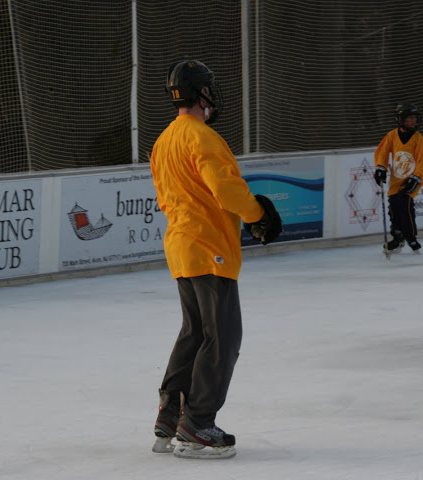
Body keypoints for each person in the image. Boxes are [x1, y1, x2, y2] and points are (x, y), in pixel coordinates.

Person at [149, 60, 282, 459]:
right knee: (222, 337)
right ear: (199, 91)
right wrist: (257, 215)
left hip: (181, 246)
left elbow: (164, 196)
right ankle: (198, 424)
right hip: (209, 248)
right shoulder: (202, 137)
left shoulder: (164, 140)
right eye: (208, 86)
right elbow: (225, 188)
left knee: (194, 333)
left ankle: (171, 414)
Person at [374, 103, 423, 254]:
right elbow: (382, 152)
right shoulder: (392, 135)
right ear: (401, 120)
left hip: (410, 180)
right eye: (409, 118)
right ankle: (398, 237)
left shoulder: (418, 138)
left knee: (405, 206)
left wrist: (417, 177)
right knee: (393, 208)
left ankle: (411, 237)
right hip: (396, 180)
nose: (413, 121)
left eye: (414, 118)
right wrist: (381, 167)